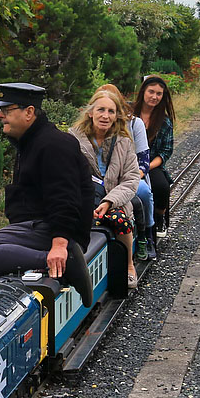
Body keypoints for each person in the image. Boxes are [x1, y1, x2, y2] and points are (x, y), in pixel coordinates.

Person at [0, 82, 92, 302]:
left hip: (50, 231)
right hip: (34, 228)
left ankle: (64, 261)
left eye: (6, 110)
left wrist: (59, 245)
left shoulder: (53, 144)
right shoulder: (30, 142)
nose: (0, 115)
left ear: (29, 112)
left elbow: (65, 198)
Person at [71, 89, 143, 289]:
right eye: (101, 110)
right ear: (90, 112)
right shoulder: (72, 140)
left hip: (113, 200)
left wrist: (109, 201)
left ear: (116, 116)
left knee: (120, 219)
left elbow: (131, 179)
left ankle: (128, 264)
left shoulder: (125, 143)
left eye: (111, 111)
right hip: (81, 200)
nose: (105, 115)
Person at [97, 83, 155, 260]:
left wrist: (129, 179)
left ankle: (148, 234)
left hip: (127, 176)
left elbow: (143, 161)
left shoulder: (134, 124)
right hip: (99, 180)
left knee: (143, 192)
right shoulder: (87, 131)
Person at [133, 75, 175, 242]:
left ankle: (159, 218)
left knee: (161, 186)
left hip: (151, 164)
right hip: (127, 162)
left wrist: (146, 168)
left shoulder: (164, 121)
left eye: (159, 94)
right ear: (143, 91)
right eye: (151, 92)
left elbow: (165, 152)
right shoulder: (129, 114)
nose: (154, 97)